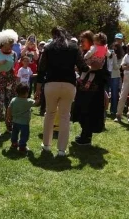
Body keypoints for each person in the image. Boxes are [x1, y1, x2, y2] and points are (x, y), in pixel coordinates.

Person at [35, 27, 88, 157]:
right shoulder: (74, 47)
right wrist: (89, 67)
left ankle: (47, 145)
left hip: (51, 83)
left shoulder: (48, 47)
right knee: (65, 116)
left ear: (53, 35)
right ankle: (62, 150)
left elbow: (41, 69)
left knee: (49, 114)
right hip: (69, 84)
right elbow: (83, 67)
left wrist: (37, 88)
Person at [73, 32, 110, 146]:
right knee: (82, 111)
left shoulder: (99, 52)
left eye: (83, 41)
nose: (81, 43)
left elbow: (101, 69)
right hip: (83, 88)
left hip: (94, 90)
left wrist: (92, 68)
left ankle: (86, 136)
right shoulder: (84, 53)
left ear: (90, 41)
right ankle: (84, 134)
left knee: (89, 112)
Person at [0, 29, 19, 137]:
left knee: (10, 104)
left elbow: (16, 67)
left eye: (12, 44)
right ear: (2, 42)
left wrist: (16, 77)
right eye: (8, 43)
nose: (10, 46)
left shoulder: (14, 54)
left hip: (11, 81)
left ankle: (9, 126)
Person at [7, 83, 36, 153]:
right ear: (26, 92)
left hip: (15, 121)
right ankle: (22, 146)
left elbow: (9, 108)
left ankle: (14, 143)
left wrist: (9, 116)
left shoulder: (14, 99)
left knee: (14, 133)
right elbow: (37, 104)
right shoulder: (28, 101)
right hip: (24, 123)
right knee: (24, 135)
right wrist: (36, 97)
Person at [107, 40, 124, 117]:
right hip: (107, 75)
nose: (114, 49)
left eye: (115, 48)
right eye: (112, 48)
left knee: (114, 94)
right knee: (106, 93)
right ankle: (104, 109)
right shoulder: (108, 55)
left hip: (115, 76)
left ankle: (113, 110)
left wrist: (114, 57)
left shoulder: (120, 58)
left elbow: (116, 67)